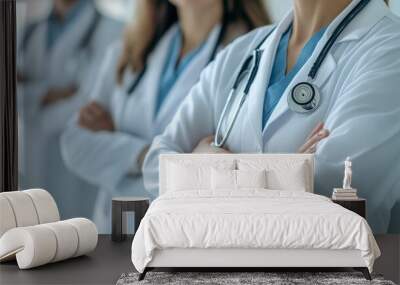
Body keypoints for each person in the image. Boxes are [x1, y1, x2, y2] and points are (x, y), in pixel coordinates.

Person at [143, 0, 400, 234]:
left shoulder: (390, 49)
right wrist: (288, 176)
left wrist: (203, 165)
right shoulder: (243, 50)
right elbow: (157, 164)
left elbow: (339, 193)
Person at [61, 0, 271, 233]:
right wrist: (152, 157)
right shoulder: (127, 51)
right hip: (113, 231)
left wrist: (116, 146)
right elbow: (74, 143)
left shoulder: (252, 60)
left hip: (184, 237)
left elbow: (225, 176)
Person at [17, 0, 124, 220]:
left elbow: (89, 104)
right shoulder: (27, 32)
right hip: (31, 160)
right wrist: (50, 93)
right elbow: (8, 93)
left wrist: (31, 99)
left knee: (77, 239)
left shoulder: (112, 30)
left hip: (77, 171)